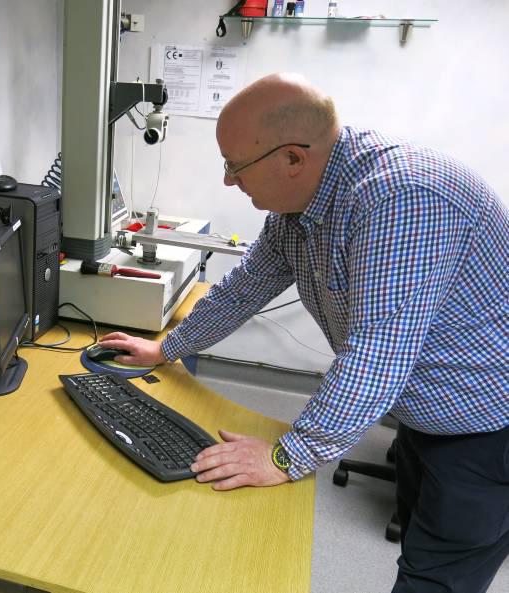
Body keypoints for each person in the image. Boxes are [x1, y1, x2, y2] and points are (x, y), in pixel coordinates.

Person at [99, 72, 509, 592]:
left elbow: (376, 352)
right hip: (422, 415)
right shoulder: (303, 206)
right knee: (420, 551)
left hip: (487, 427)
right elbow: (244, 288)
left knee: (435, 580)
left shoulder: (400, 199)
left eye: (235, 166)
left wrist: (286, 456)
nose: (228, 181)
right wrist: (166, 348)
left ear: (293, 158)